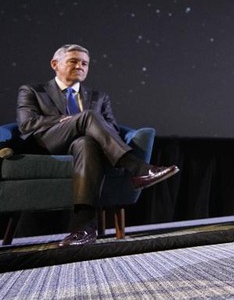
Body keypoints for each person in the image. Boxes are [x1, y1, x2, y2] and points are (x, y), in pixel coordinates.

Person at [16, 44, 179, 247]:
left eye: (85, 63)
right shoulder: (33, 90)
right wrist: (67, 120)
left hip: (84, 146)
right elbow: (27, 124)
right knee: (88, 117)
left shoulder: (98, 97)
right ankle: (138, 169)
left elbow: (111, 128)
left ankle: (82, 229)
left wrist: (86, 125)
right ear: (55, 64)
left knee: (87, 143)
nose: (80, 66)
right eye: (73, 61)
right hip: (47, 143)